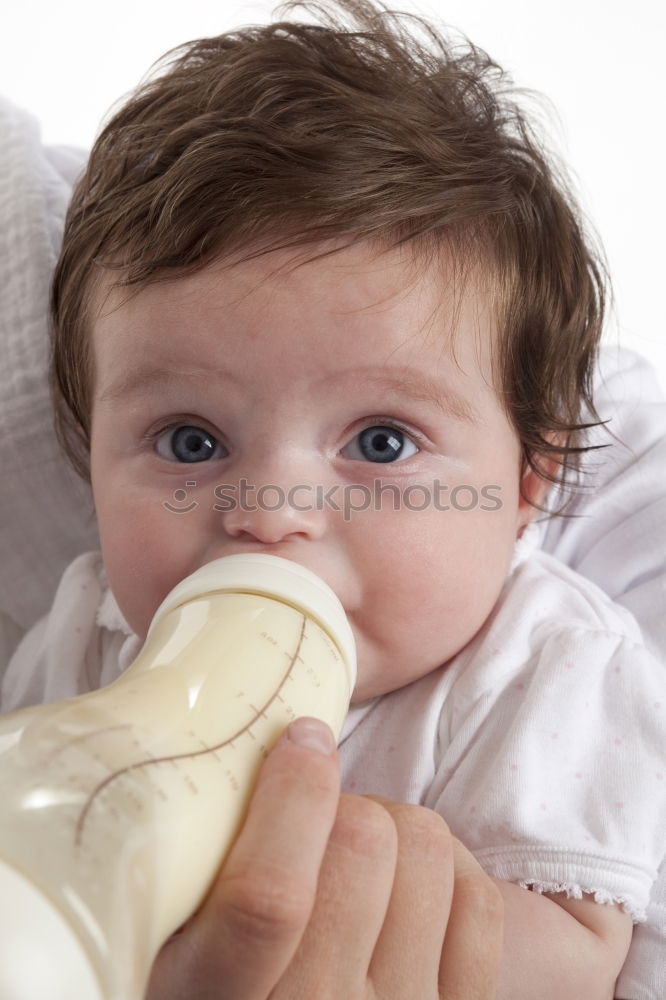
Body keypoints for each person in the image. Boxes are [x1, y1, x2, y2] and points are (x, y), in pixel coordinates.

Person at [1, 1, 664, 996]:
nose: (269, 513)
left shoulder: (542, 668)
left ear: (526, 485)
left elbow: (583, 947)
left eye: (382, 442)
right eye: (191, 441)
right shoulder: (88, 634)